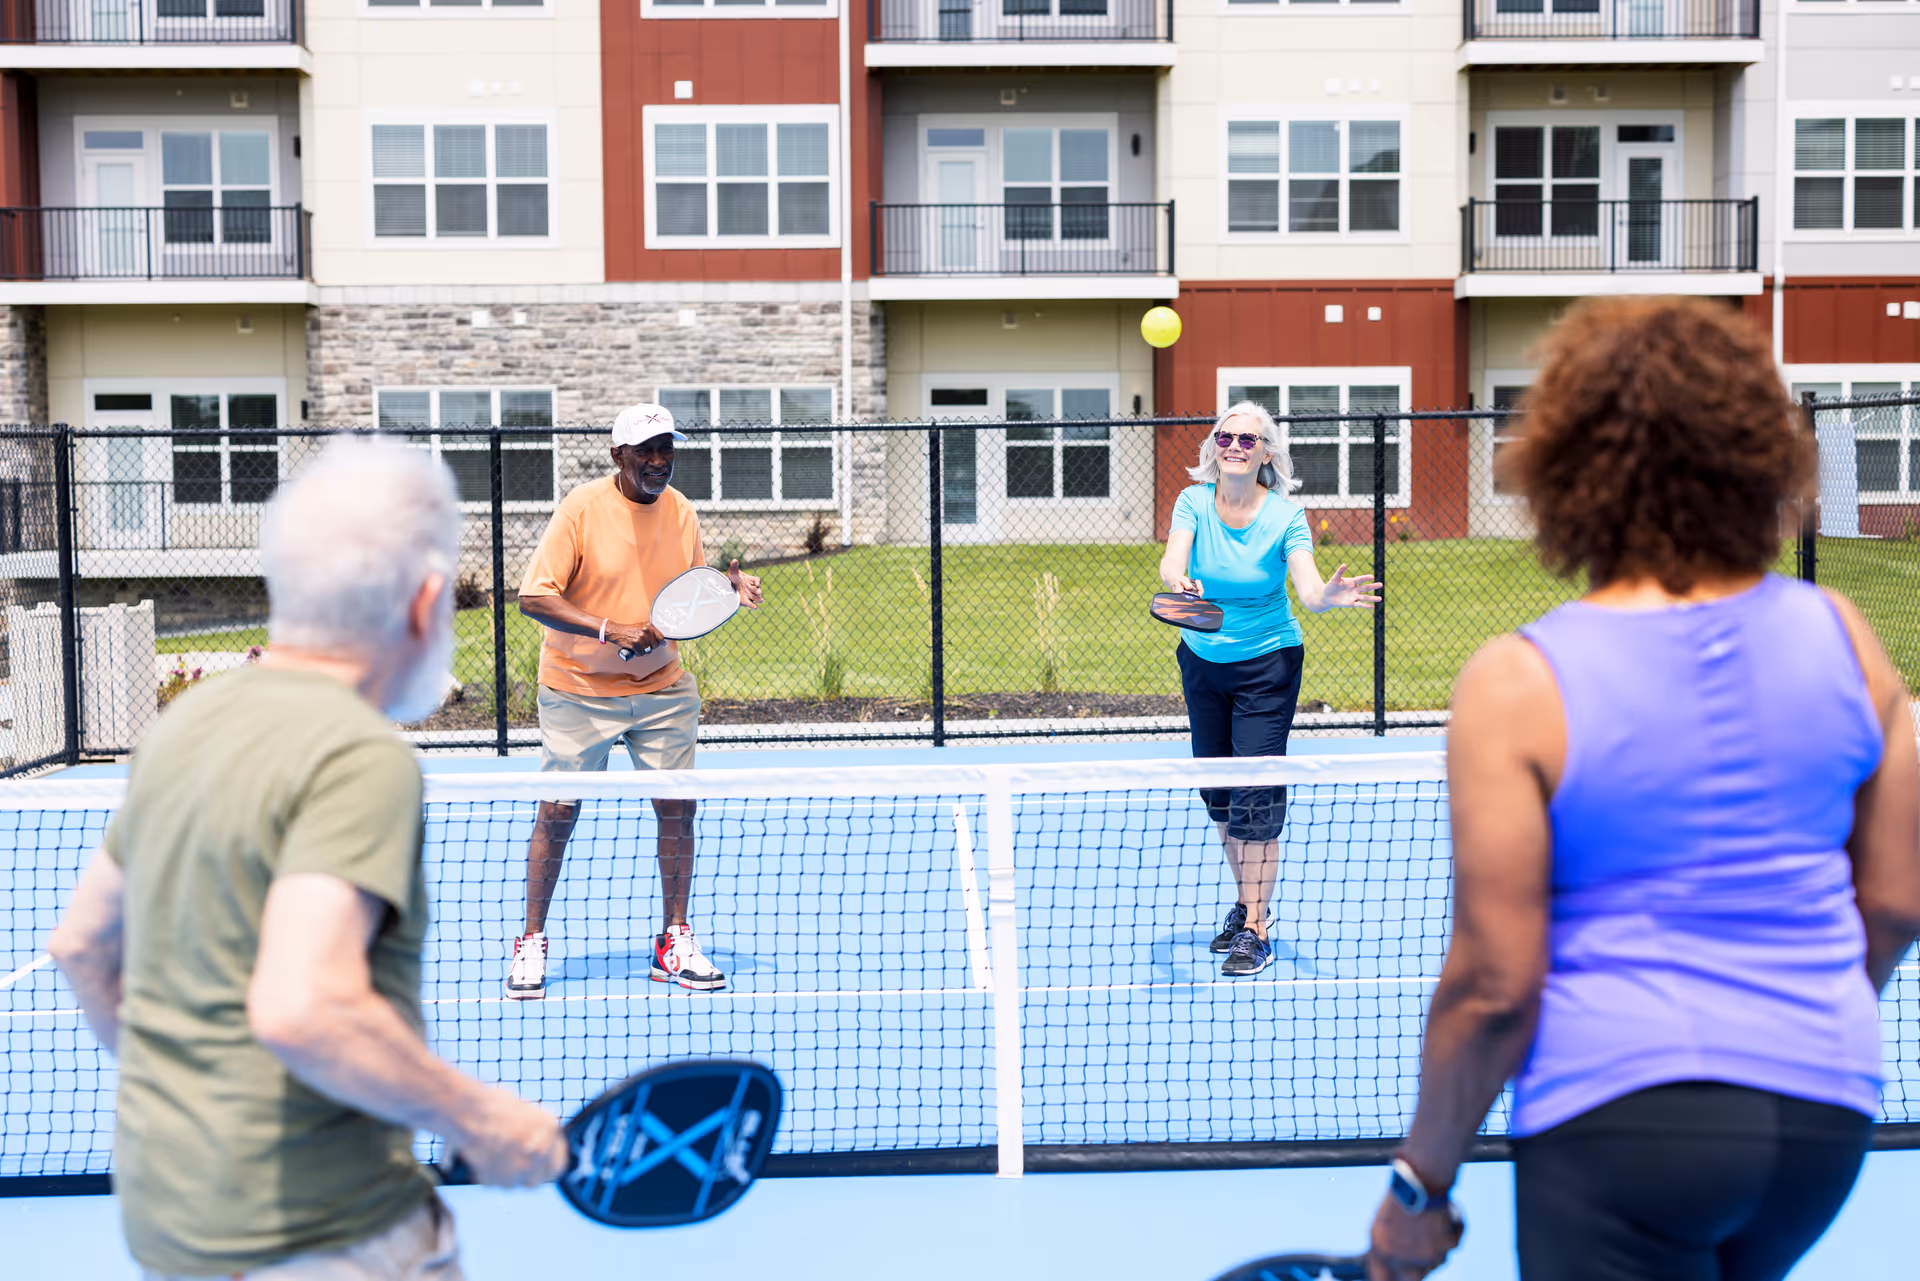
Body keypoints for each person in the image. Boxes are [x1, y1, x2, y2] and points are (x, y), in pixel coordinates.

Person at [1365, 297, 1920, 1281]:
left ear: (1569, 467)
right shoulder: (1847, 638)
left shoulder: (1517, 682)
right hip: (1822, 1125)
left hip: (1618, 1131)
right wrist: (1796, 1024)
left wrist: (1421, 1188)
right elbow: (1895, 903)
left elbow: (1494, 986)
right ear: (1758, 452)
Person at [47, 439, 570, 1281]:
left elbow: (79, 946)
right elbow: (302, 1007)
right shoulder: (359, 756)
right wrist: (482, 1119)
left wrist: (201, 1105)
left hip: (169, 1221)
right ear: (426, 600)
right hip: (329, 1236)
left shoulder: (183, 724)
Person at [508, 402, 762, 1000]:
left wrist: (728, 587)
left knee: (678, 809)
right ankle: (531, 942)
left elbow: (687, 596)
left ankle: (673, 940)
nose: (658, 461)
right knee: (559, 811)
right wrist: (607, 629)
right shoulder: (580, 510)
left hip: (662, 687)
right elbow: (532, 596)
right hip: (578, 687)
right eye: (645, 451)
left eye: (666, 449)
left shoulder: (681, 512)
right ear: (617, 455)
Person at [1159, 401, 1381, 978]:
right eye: (1225, 437)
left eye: (1247, 440)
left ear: (1266, 452)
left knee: (1256, 800)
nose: (1235, 446)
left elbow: (1306, 588)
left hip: (1268, 664)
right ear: (1213, 446)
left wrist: (1327, 597)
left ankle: (1256, 927)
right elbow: (1171, 561)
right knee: (1221, 798)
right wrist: (1178, 580)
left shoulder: (1286, 516)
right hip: (1203, 659)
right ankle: (1245, 902)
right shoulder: (1193, 502)